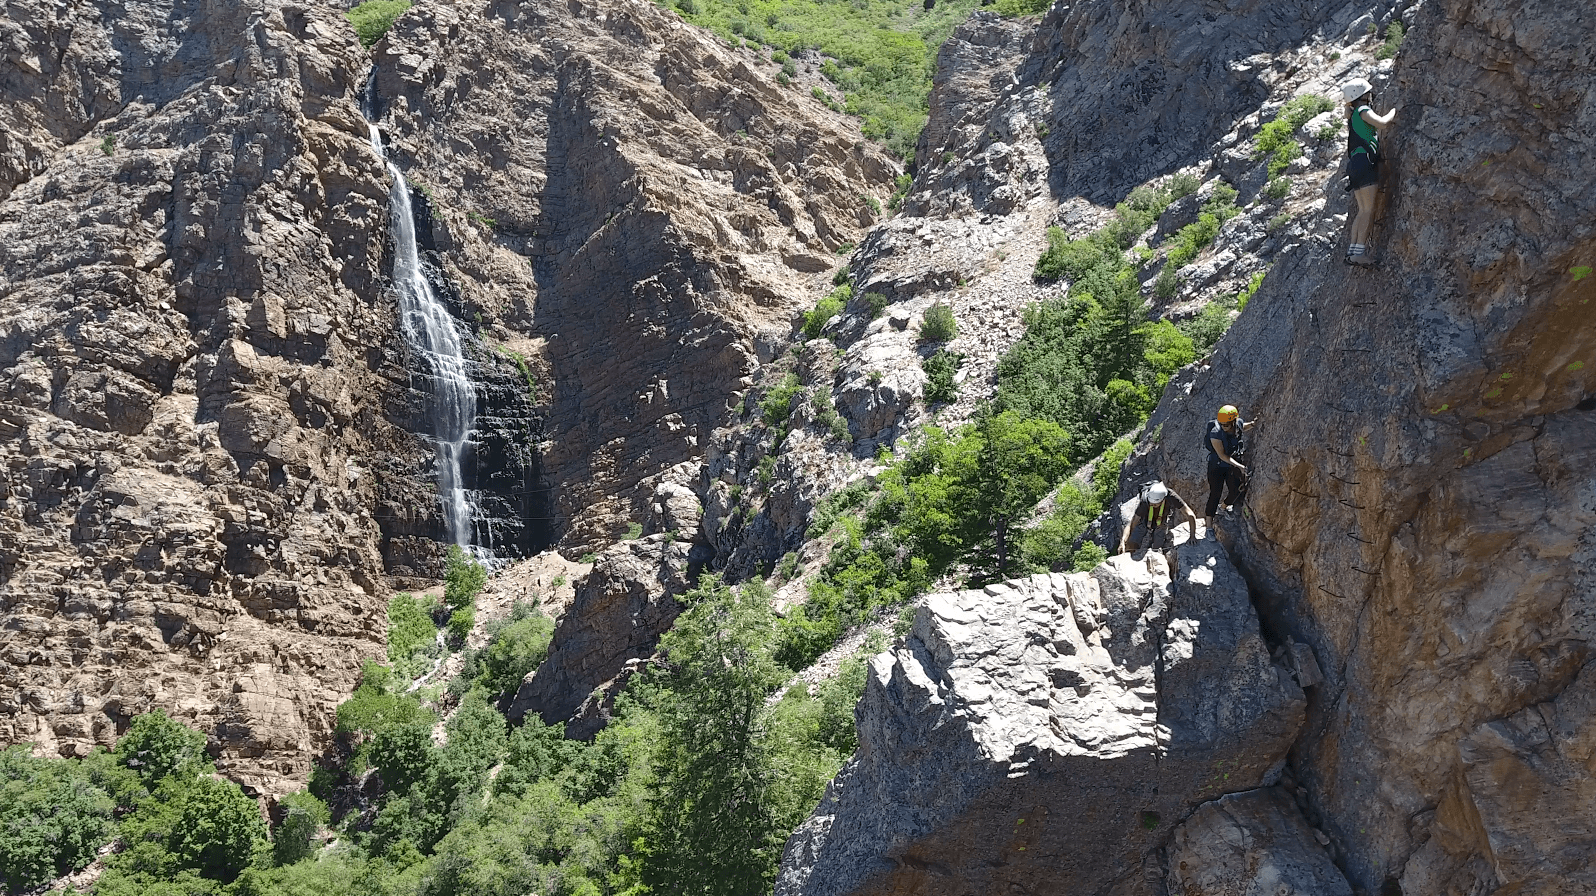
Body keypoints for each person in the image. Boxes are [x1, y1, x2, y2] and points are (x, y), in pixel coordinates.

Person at [1342, 77, 1397, 266]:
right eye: (1367, 92)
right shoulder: (1363, 111)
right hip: (1365, 163)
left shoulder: (1352, 115)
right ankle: (1359, 253)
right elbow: (1382, 123)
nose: (1370, 94)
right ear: (1361, 95)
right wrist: (1394, 111)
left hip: (1355, 165)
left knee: (1362, 210)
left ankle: (1352, 250)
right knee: (1368, 210)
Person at [1204, 405, 1254, 528]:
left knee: (1236, 490)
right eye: (1221, 424)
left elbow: (1243, 426)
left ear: (1233, 421)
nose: (1223, 426)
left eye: (1226, 424)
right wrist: (1240, 466)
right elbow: (1222, 455)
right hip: (1217, 466)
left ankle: (1223, 507)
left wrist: (1253, 424)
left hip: (1230, 465)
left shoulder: (1238, 423)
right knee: (1215, 493)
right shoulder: (1215, 433)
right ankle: (1209, 527)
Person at [1117, 481, 1196, 555]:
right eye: (1151, 503)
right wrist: (1123, 541)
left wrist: (1192, 536)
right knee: (1133, 541)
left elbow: (1190, 514)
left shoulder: (1171, 496)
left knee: (1157, 547)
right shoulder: (1145, 501)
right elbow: (1132, 522)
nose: (1152, 505)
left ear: (1163, 500)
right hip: (1145, 518)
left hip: (1161, 519)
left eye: (1155, 504)